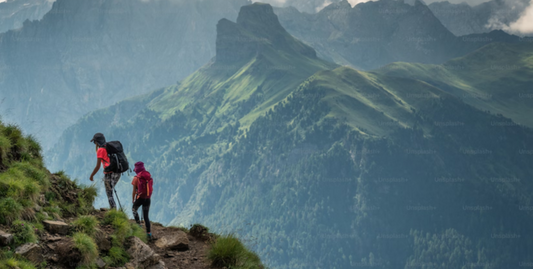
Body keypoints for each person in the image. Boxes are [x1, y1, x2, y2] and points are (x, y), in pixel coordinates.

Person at [90, 133, 121, 209]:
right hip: (117, 172)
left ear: (97, 142)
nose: (94, 143)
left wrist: (92, 175)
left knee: (109, 193)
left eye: (94, 142)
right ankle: (113, 210)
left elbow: (98, 166)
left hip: (109, 173)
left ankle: (113, 211)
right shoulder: (108, 147)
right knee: (111, 191)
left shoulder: (100, 150)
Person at [132, 161, 153, 241]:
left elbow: (134, 191)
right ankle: (149, 234)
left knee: (134, 209)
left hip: (140, 198)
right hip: (147, 199)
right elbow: (151, 188)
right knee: (146, 216)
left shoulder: (136, 178)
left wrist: (133, 199)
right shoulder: (148, 177)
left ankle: (139, 225)